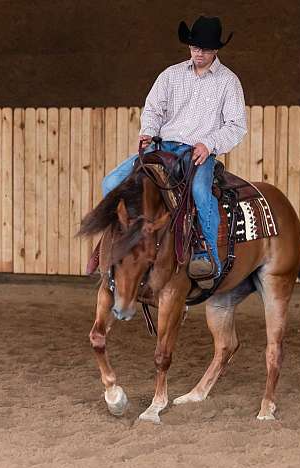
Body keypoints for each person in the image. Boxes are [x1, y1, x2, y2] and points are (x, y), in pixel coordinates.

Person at [101, 15, 247, 281]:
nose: (198, 53)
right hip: (163, 147)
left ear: (215, 50)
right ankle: (119, 243)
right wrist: (147, 132)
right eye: (194, 47)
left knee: (202, 193)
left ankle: (207, 255)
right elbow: (154, 109)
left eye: (204, 49)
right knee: (110, 183)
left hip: (197, 154)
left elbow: (236, 126)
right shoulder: (171, 75)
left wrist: (210, 144)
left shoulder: (228, 82)